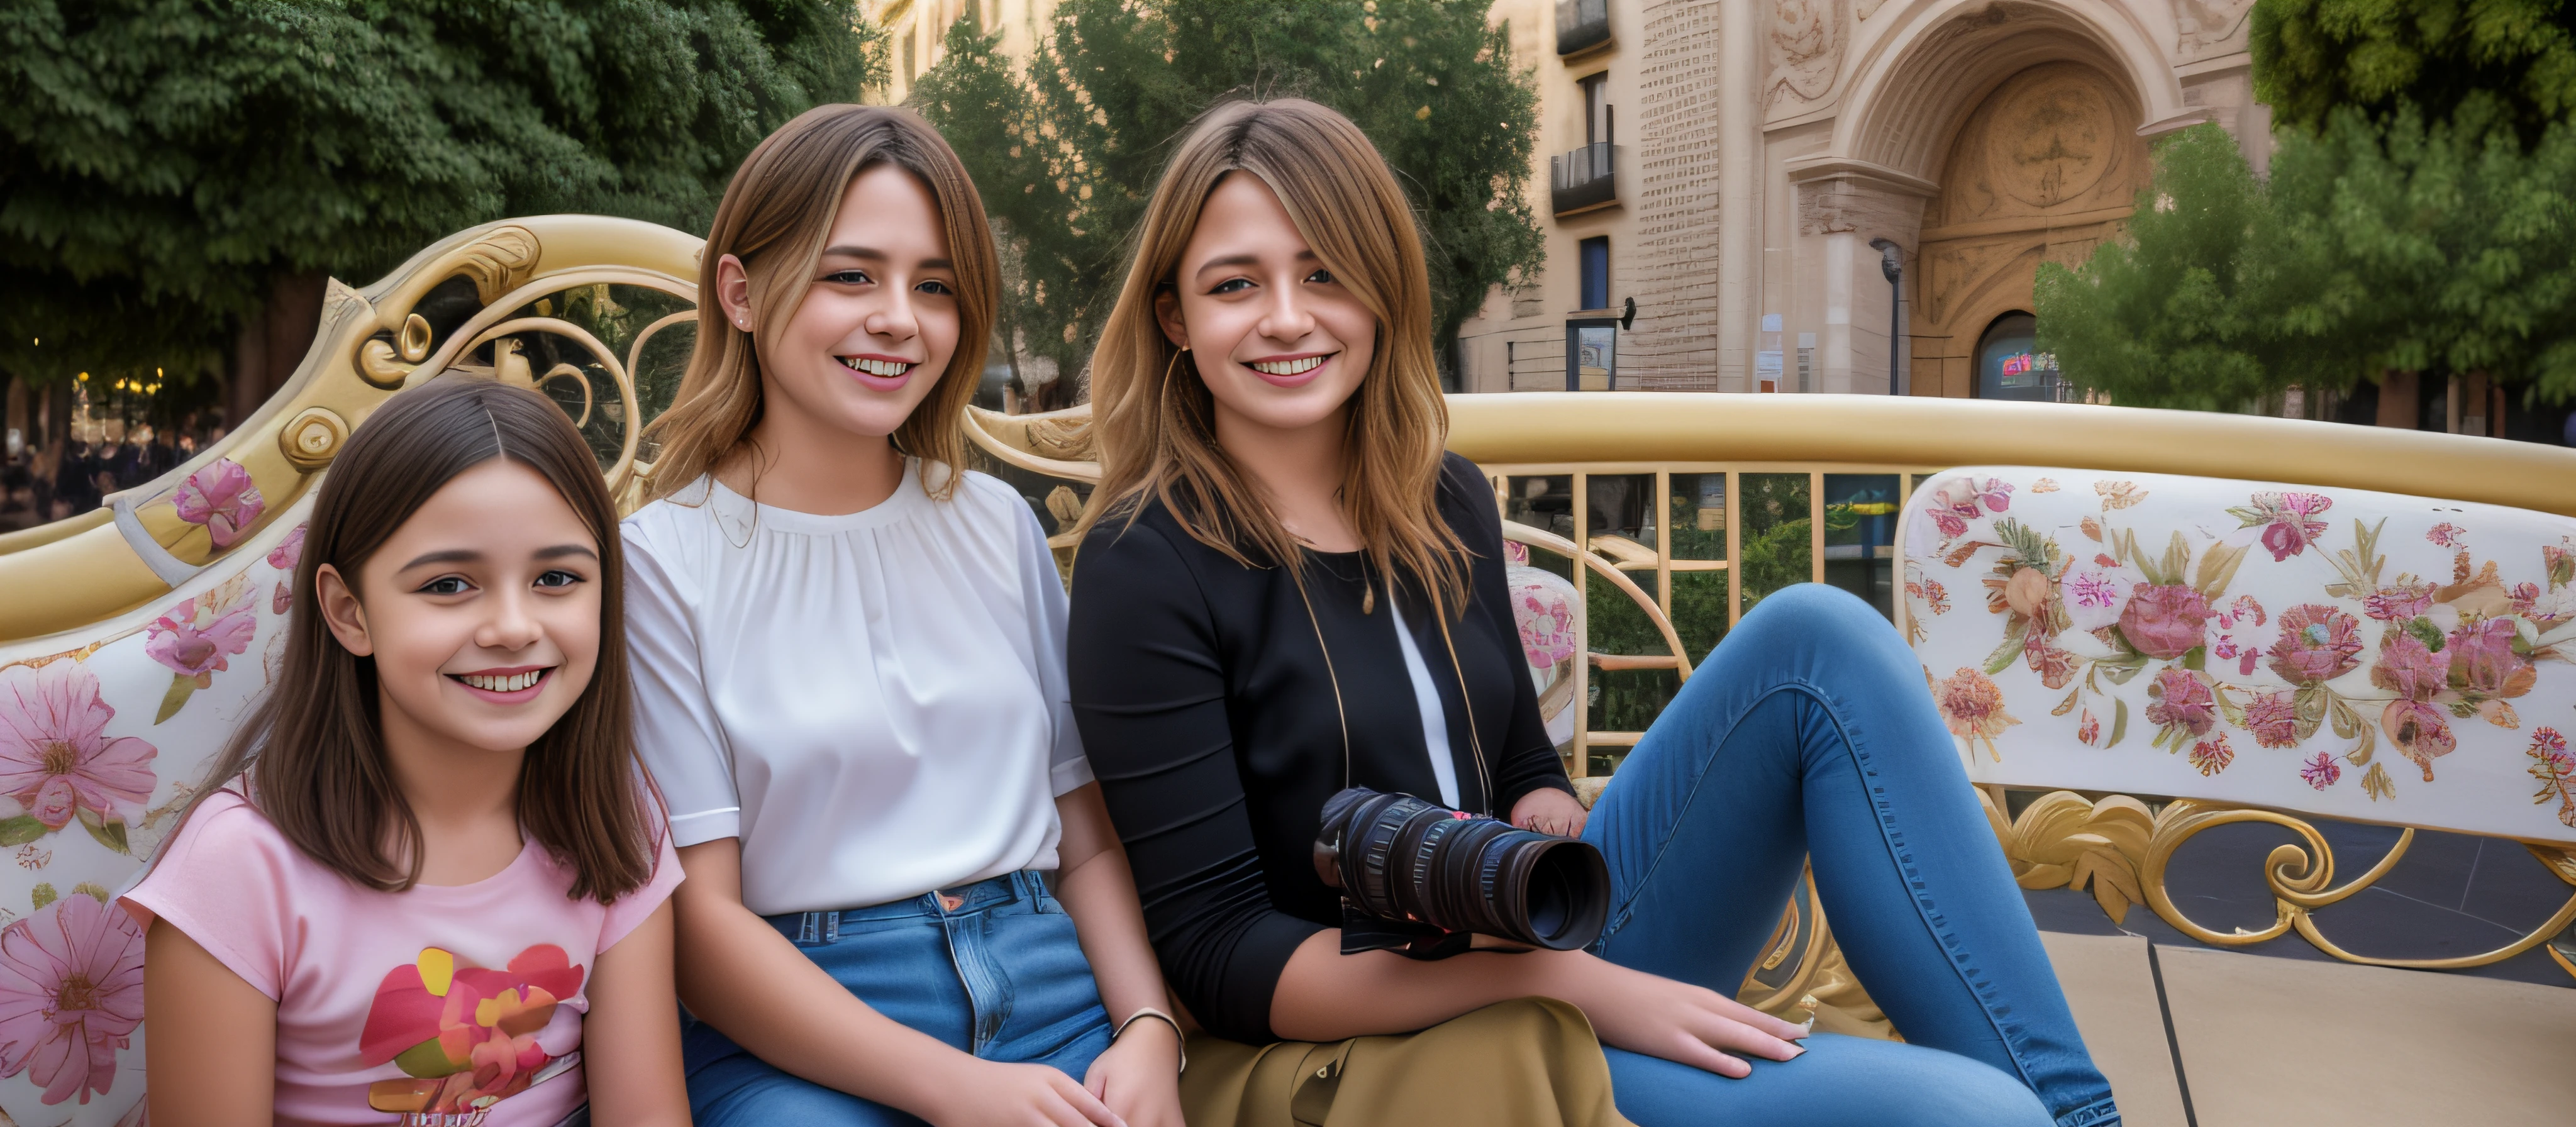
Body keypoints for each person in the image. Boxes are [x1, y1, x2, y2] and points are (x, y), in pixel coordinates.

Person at [1066, 98, 2122, 1127]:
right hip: (1384, 1043)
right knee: (1973, 1114)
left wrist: (1548, 830)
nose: (1287, 317)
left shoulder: (1444, 497)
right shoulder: (1146, 567)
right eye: (1235, 284)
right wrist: (1577, 986)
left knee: (1818, 638)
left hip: (1530, 945)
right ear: (1175, 315)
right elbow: (1219, 951)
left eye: (1325, 272)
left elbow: (1524, 762)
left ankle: (2085, 1118)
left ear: (1381, 290)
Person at [621, 104, 1184, 1127]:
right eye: (852, 276)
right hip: (801, 1029)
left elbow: (1086, 841)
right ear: (740, 294)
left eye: (935, 286)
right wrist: (958, 1090)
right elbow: (700, 920)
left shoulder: (995, 523)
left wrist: (1147, 1025)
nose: (899, 318)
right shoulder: (661, 561)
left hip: (1053, 993)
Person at [125, 375, 689, 1126]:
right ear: (349, 612)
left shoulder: (613, 816)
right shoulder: (240, 867)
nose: (513, 627)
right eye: (451, 584)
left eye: (557, 578)